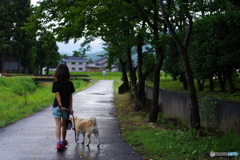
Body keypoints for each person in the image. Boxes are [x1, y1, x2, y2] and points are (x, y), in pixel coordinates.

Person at [52, 64, 75, 150]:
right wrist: (71, 108)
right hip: (66, 107)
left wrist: (60, 105)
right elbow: (70, 96)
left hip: (57, 106)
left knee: (58, 125)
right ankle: (63, 141)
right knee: (64, 125)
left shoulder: (56, 83)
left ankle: (58, 142)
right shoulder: (70, 84)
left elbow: (57, 94)